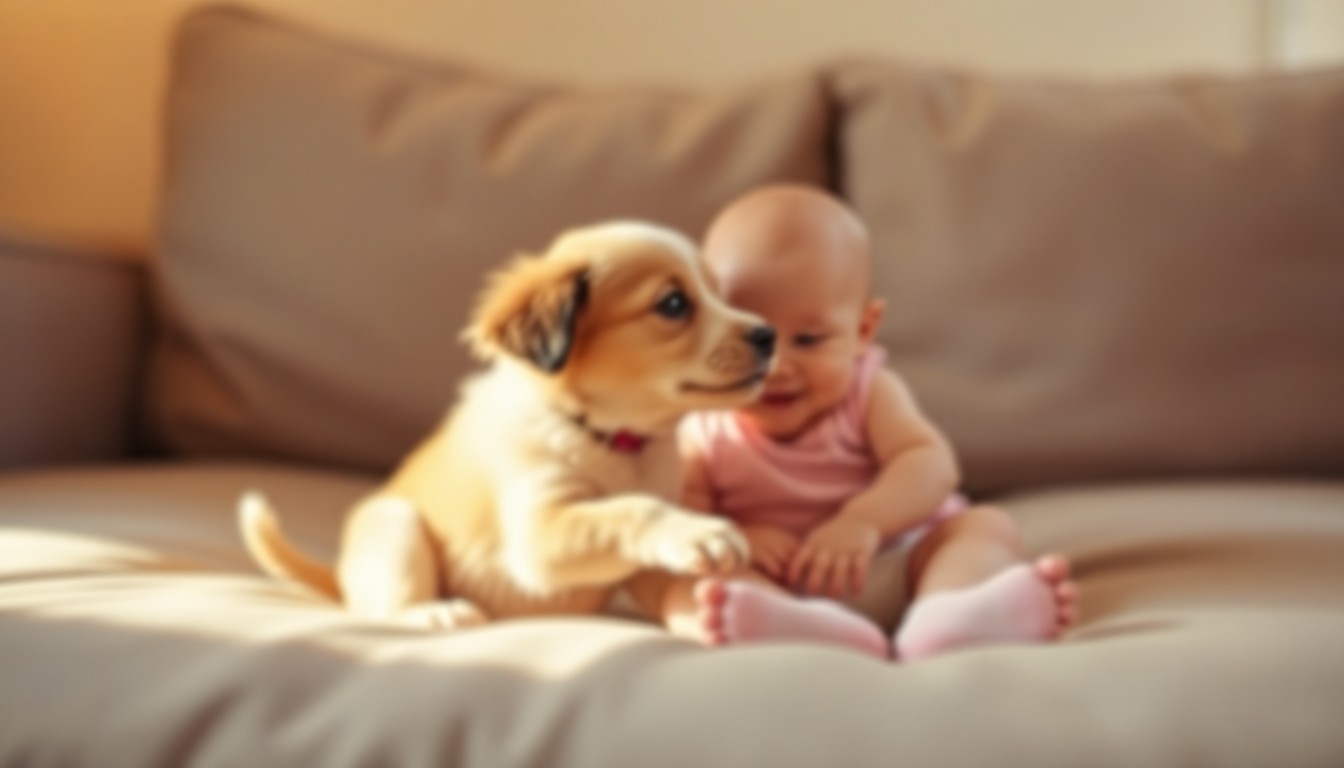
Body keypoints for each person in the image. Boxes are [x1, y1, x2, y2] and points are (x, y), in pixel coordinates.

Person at [634, 184, 1078, 661]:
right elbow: (688, 512)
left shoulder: (869, 393)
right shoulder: (705, 421)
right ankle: (785, 629)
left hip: (895, 566)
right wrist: (736, 541)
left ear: (863, 330)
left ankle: (951, 615)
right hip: (772, 585)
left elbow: (930, 463)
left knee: (986, 526)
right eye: (754, 339)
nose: (779, 367)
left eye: (808, 339)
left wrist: (862, 522)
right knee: (674, 576)